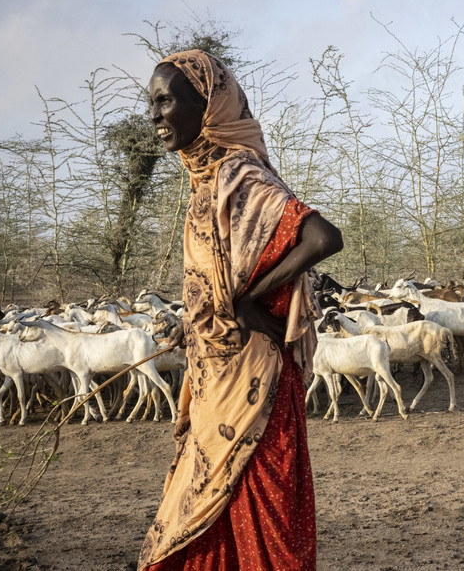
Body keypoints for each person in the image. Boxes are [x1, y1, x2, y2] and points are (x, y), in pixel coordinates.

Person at [138, 50, 342, 570]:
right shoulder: (205, 180)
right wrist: (200, 319)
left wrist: (247, 300)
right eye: (151, 104)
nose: (155, 116)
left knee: (263, 518)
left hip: (256, 386)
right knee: (206, 514)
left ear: (206, 105)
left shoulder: (238, 173)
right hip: (217, 382)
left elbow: (321, 237)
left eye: (165, 101)